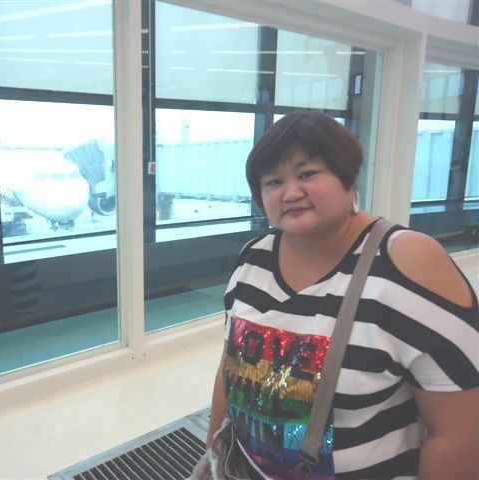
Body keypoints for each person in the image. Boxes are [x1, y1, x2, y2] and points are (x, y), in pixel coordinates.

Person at [205, 112, 479, 479]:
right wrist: (213, 458)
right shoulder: (253, 257)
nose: (291, 193)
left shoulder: (407, 261)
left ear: (347, 176)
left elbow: (458, 434)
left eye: (307, 174)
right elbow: (229, 367)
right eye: (274, 181)